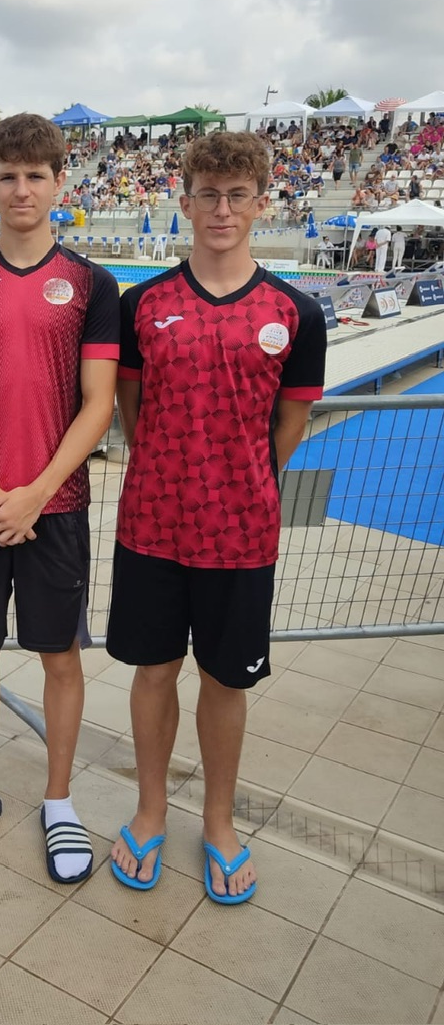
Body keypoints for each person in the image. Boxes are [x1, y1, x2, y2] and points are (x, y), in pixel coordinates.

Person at [106, 130, 325, 904]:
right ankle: (150, 809)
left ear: (262, 203)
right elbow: (130, 406)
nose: (221, 208)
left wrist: (238, 479)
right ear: (185, 200)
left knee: (226, 681)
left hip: (241, 532)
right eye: (207, 193)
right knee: (153, 670)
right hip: (152, 527)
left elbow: (290, 423)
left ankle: (221, 822)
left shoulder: (295, 312)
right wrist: (171, 464)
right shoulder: (145, 305)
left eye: (237, 195)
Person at [0, 113, 119, 883]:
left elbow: (99, 404)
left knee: (59, 657)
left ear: (60, 184)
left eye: (36, 175)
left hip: (57, 507)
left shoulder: (93, 285)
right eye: (7, 175)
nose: (21, 188)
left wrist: (35, 495)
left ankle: (60, 801)